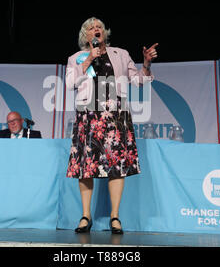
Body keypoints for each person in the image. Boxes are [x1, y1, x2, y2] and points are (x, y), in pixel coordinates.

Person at [65, 17, 158, 234]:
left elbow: (139, 81)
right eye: (90, 28)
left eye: (99, 27)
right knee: (86, 166)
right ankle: (85, 216)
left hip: (116, 114)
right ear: (85, 35)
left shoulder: (121, 54)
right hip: (88, 114)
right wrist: (88, 59)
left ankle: (115, 217)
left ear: (105, 32)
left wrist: (146, 63)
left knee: (117, 165)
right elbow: (70, 84)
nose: (96, 29)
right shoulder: (76, 58)